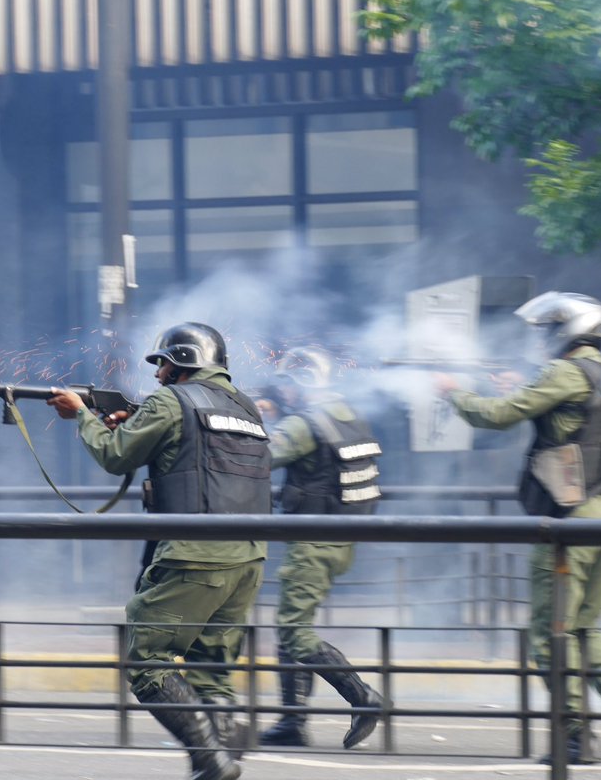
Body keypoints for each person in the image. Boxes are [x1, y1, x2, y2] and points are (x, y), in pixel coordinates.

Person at [434, 292, 601, 766]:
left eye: (545, 329)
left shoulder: (564, 373)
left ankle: (573, 737)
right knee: (582, 626)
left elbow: (496, 416)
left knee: (548, 630)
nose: (539, 337)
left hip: (573, 519)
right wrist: (522, 385)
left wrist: (454, 391)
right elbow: (574, 419)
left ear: (569, 329)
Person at [46, 322, 271, 780]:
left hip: (195, 555)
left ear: (185, 361)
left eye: (163, 363)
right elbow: (195, 456)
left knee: (146, 661)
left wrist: (81, 416)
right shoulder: (246, 408)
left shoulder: (172, 401)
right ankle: (225, 749)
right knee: (213, 669)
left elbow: (115, 456)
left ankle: (210, 761)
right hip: (248, 559)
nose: (157, 374)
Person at [254, 346, 385, 750]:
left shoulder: (303, 424)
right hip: (339, 537)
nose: (284, 391)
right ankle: (292, 722)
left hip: (313, 542)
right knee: (290, 628)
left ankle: (362, 697)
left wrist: (256, 422)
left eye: (287, 384)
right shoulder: (347, 413)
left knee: (293, 632)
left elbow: (256, 459)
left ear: (301, 384)